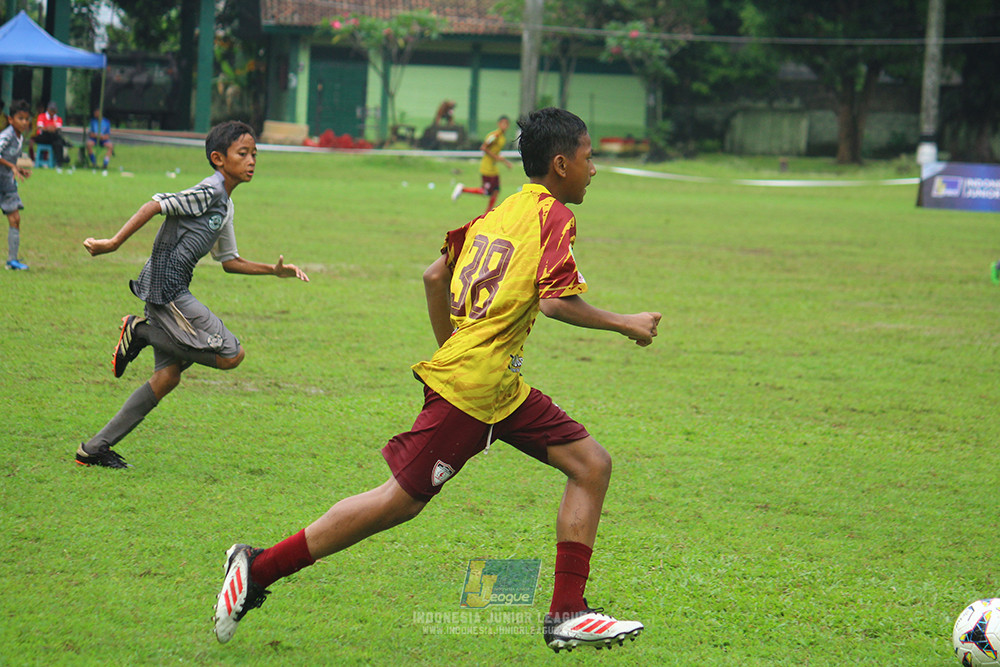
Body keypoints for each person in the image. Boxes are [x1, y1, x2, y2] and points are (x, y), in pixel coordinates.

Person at [212, 108, 661, 653]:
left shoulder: (497, 213)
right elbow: (555, 302)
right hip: (473, 389)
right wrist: (625, 323)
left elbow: (434, 274)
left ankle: (567, 612)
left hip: (498, 387)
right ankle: (257, 568)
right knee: (396, 503)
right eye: (590, 158)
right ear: (562, 164)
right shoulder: (554, 217)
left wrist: (452, 344)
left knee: (591, 464)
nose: (595, 169)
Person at [76, 120, 309, 469]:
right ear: (218, 158)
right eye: (242, 154)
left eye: (254, 154)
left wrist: (274, 271)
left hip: (166, 288)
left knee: (167, 377)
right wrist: (111, 244)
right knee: (232, 355)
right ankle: (139, 331)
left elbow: (230, 261)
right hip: (167, 290)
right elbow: (155, 204)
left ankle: (93, 449)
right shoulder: (209, 192)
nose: (251, 161)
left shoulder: (225, 204)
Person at [452, 115, 513, 212]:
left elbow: (495, 152)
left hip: (494, 168)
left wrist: (505, 162)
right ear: (499, 124)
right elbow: (484, 147)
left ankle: (488, 213)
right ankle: (463, 189)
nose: (505, 126)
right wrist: (496, 157)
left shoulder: (502, 137)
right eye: (503, 123)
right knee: (486, 191)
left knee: (496, 190)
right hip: (487, 167)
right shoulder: (495, 136)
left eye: (506, 124)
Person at [0, 100, 32, 270]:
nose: (24, 122)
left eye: (26, 119)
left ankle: (12, 260)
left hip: (7, 184)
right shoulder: (6, 135)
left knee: (15, 219)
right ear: (11, 120)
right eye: (20, 118)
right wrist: (11, 166)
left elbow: (15, 157)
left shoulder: (20, 137)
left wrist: (21, 168)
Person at [34, 101, 68, 166]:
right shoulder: (42, 116)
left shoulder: (58, 118)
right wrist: (48, 128)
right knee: (57, 138)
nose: (52, 112)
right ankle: (65, 143)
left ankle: (59, 163)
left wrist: (51, 128)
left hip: (53, 138)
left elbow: (57, 128)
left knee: (58, 142)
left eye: (54, 110)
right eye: (51, 110)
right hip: (43, 137)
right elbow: (40, 127)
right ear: (47, 109)